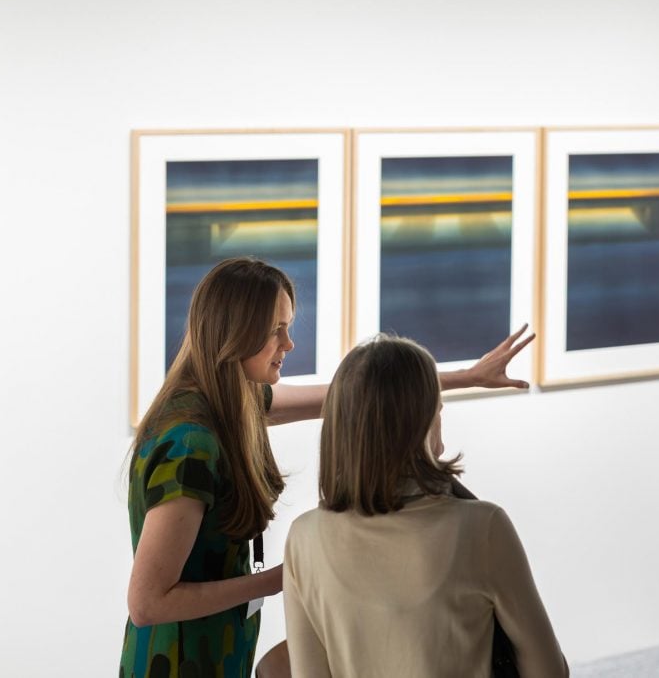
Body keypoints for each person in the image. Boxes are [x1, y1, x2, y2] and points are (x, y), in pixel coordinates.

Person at [120, 257, 534, 678]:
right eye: (275, 330)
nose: (288, 344)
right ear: (235, 332)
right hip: (177, 664)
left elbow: (352, 392)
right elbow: (147, 603)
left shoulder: (229, 402)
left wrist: (465, 377)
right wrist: (290, 574)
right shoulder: (190, 443)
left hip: (220, 651)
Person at [283, 334, 569, 677]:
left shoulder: (303, 536)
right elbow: (549, 670)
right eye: (438, 409)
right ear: (420, 421)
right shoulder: (482, 527)